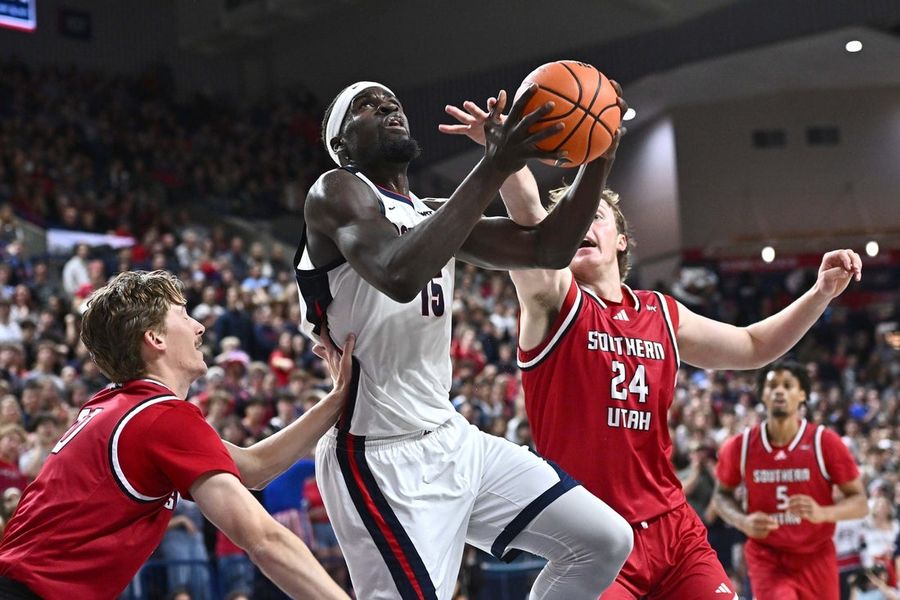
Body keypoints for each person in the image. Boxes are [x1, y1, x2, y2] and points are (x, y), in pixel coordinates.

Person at [440, 97, 865, 599]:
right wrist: (504, 154)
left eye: (594, 216)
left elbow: (752, 345)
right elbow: (531, 219)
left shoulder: (661, 312)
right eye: (569, 221)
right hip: (595, 539)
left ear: (622, 240)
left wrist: (819, 294)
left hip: (673, 531)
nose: (579, 226)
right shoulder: (553, 301)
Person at [297, 81, 634, 600]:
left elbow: (549, 248)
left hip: (452, 437)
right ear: (342, 145)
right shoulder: (336, 191)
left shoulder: (432, 212)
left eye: (394, 99)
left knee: (604, 541)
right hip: (379, 456)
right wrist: (494, 165)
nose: (388, 105)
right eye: (366, 105)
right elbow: (398, 272)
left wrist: (600, 155)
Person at [0, 270, 353, 599]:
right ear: (154, 338)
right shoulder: (159, 418)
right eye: (184, 316)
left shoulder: (116, 406)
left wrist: (337, 399)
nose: (198, 327)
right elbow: (263, 538)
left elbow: (253, 466)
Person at [714, 361, 868, 600]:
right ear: (762, 394)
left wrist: (822, 513)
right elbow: (721, 495)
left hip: (816, 554)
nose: (779, 391)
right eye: (772, 385)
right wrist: (741, 520)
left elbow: (860, 503)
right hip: (768, 556)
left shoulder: (824, 442)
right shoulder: (740, 446)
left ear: (803, 394)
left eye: (787, 385)